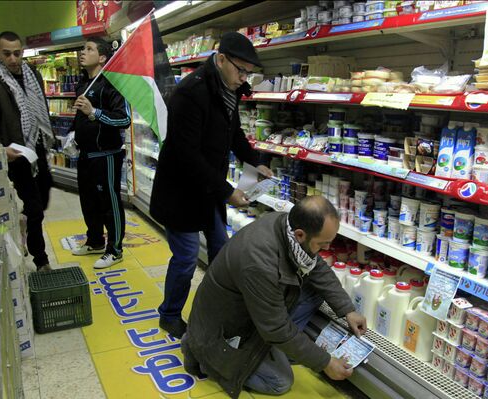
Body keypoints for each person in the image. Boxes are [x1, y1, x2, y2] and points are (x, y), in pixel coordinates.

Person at [181, 196, 367, 398]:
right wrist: (325, 363)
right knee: (280, 382)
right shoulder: (258, 262)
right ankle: (202, 354)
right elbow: (275, 328)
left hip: (251, 311)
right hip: (225, 329)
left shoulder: (285, 224)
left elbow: (316, 266)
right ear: (300, 234)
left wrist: (347, 309)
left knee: (314, 290)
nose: (327, 250)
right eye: (322, 245)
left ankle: (284, 348)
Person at [150, 32, 272, 338]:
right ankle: (170, 313)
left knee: (223, 249)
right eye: (240, 69)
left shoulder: (230, 89)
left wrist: (255, 160)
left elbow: (233, 134)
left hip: (208, 189)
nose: (244, 78)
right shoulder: (191, 93)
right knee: (187, 256)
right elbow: (186, 155)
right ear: (220, 60)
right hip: (181, 191)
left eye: (249, 72)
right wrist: (228, 192)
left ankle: (220, 309)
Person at [0, 31, 54, 272]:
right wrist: (1, 150)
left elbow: (40, 108)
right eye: (7, 54)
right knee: (35, 209)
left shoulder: (32, 75)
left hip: (37, 149)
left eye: (17, 53)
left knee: (43, 197)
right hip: (15, 155)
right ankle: (41, 259)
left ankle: (26, 222)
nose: (13, 59)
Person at [70, 37, 131, 269]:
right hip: (85, 155)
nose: (82, 52)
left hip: (106, 156)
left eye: (89, 49)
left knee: (110, 203)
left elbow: (124, 119)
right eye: (82, 48)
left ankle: (115, 250)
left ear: (103, 57)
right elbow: (81, 116)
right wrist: (73, 133)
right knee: (88, 202)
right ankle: (95, 241)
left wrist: (94, 111)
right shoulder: (83, 83)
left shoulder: (112, 84)